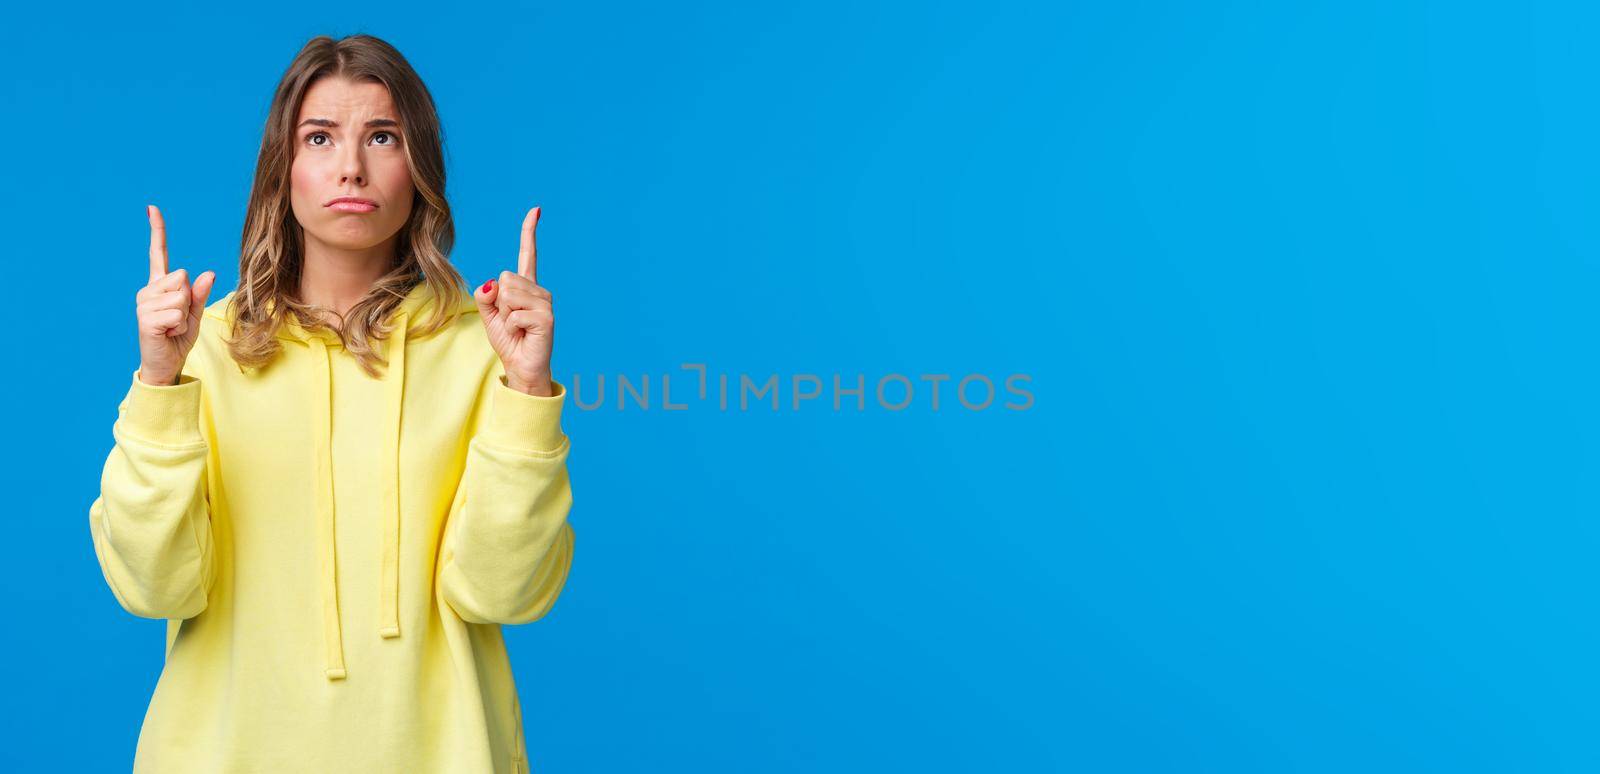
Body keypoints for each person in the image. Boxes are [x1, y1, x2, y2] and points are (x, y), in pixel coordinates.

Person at [86, 33, 573, 773]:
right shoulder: (199, 352)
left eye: (383, 136)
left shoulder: (490, 348)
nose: (351, 166)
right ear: (283, 170)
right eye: (320, 137)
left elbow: (501, 593)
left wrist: (528, 392)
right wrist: (158, 384)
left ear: (420, 168)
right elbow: (155, 587)